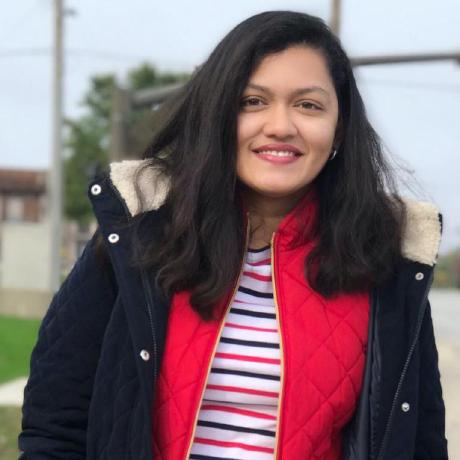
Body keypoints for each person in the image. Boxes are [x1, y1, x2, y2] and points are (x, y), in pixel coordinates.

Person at [19, 10, 448, 460]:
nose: (280, 126)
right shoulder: (136, 235)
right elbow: (56, 426)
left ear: (339, 128)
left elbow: (419, 445)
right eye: (253, 101)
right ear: (219, 115)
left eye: (308, 105)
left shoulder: (386, 262)